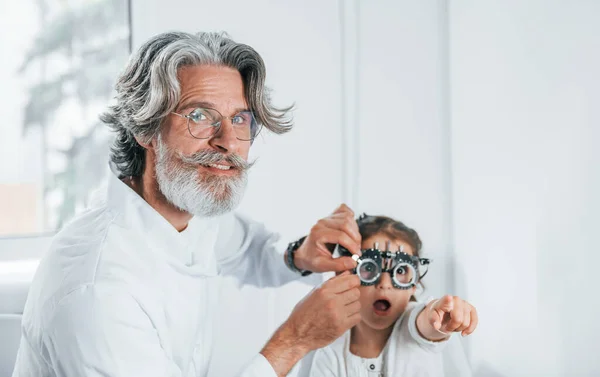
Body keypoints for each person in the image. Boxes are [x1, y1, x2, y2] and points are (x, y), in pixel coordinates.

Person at [11, 31, 364, 377]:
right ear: (145, 129)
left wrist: (298, 256)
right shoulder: (99, 292)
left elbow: (243, 249)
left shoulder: (182, 207)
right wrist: (294, 341)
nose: (228, 141)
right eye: (199, 116)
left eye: (239, 119)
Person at [310, 214, 478, 376]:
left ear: (413, 285)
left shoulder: (414, 323)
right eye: (369, 268)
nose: (385, 283)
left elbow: (426, 324)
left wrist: (438, 316)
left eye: (401, 270)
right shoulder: (331, 345)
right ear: (344, 275)